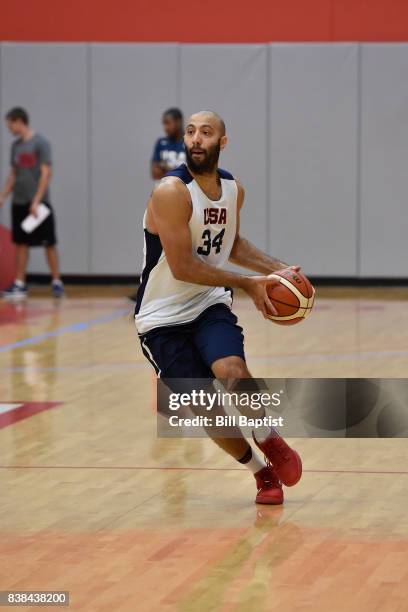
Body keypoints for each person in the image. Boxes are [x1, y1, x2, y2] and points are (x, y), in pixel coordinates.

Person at [135, 110, 303, 505]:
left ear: (221, 143)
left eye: (205, 133)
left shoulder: (233, 190)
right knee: (205, 406)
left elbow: (232, 245)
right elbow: (183, 266)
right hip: (160, 319)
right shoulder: (170, 193)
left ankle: (267, 438)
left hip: (206, 303)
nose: (195, 139)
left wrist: (279, 270)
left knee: (232, 370)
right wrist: (247, 283)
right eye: (191, 132)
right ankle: (260, 473)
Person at [0, 107, 64, 299]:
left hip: (38, 204)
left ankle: (56, 281)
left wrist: (36, 200)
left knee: (48, 242)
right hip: (19, 202)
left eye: (10, 123)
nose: (9, 127)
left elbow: (46, 173)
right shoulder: (15, 146)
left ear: (19, 121)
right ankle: (20, 284)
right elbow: (14, 174)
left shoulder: (40, 143)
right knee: (21, 243)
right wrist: (3, 195)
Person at [151, 108, 186, 181]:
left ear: (178, 122)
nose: (165, 128)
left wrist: (165, 168)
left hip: (186, 190)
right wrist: (178, 170)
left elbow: (191, 174)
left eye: (168, 123)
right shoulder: (161, 143)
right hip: (164, 189)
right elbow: (155, 173)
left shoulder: (190, 143)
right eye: (164, 124)